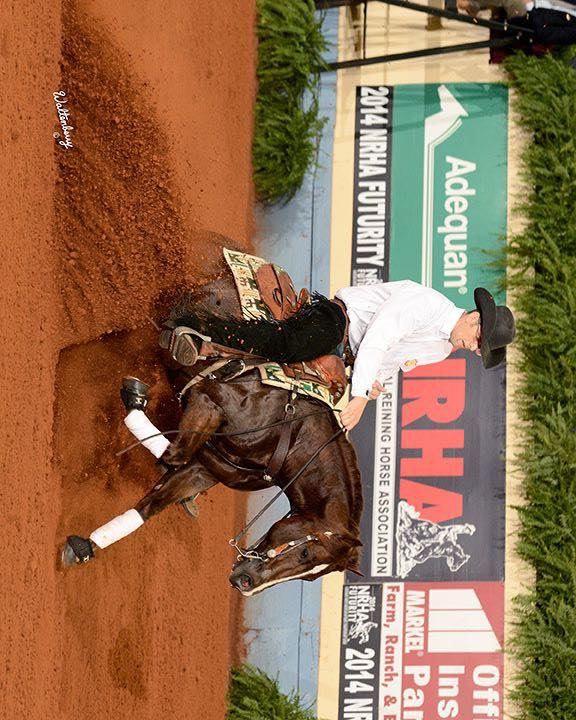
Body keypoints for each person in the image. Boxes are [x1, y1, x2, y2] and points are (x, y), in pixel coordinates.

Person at [173, 279, 515, 432]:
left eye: (479, 349)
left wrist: (375, 382)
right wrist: (361, 396)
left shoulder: (440, 350)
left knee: (303, 421)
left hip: (347, 360)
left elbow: (390, 361)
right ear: (475, 318)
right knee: (288, 344)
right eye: (478, 340)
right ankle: (198, 330)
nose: (473, 348)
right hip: (339, 322)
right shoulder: (426, 303)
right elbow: (379, 338)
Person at [457, 0, 576, 47]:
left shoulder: (574, 31)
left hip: (529, 15)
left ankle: (471, 4)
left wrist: (530, 7)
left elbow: (544, 33)